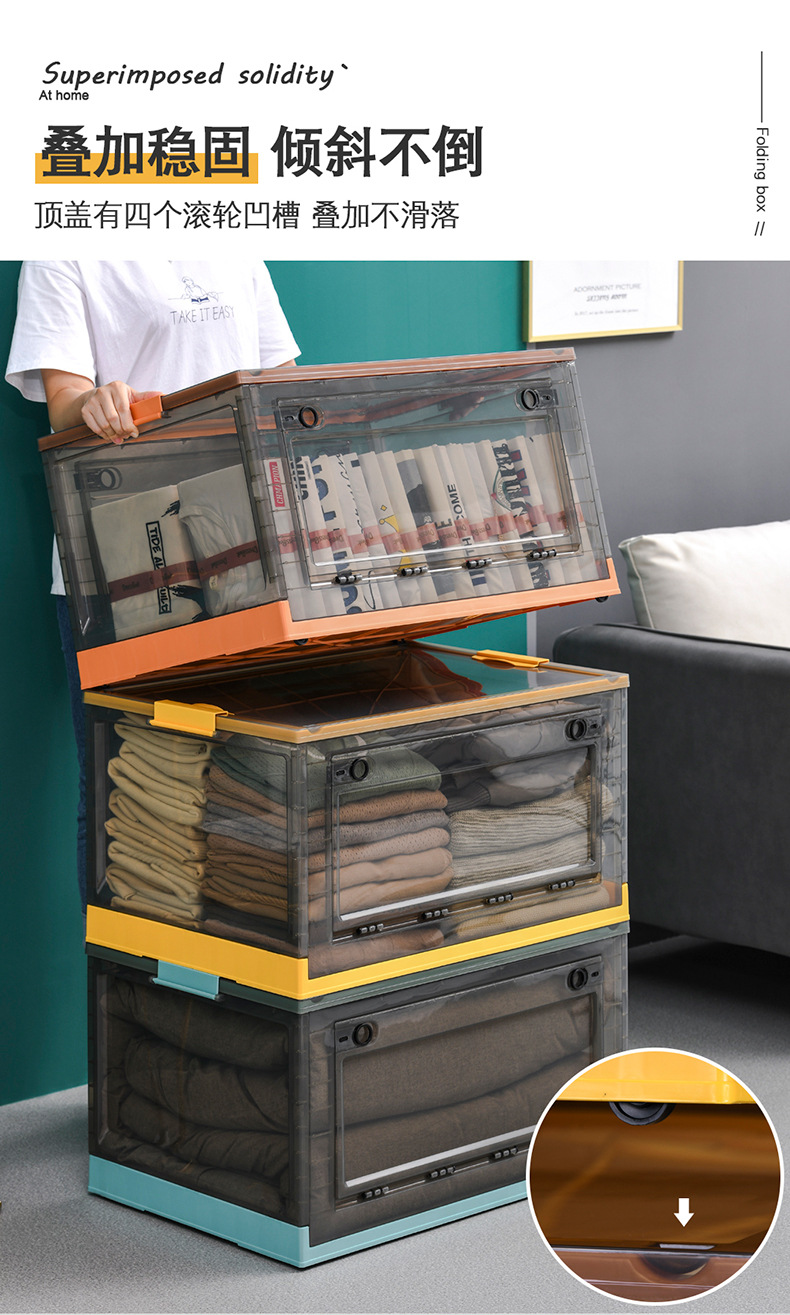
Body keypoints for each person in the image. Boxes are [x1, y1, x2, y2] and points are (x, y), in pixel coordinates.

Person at [5, 260, 300, 909]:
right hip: (124, 553)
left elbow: (277, 380)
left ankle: (232, 966)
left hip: (243, 544)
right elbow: (65, 400)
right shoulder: (62, 247)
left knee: (250, 772)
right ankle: (120, 970)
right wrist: (96, 403)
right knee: (120, 784)